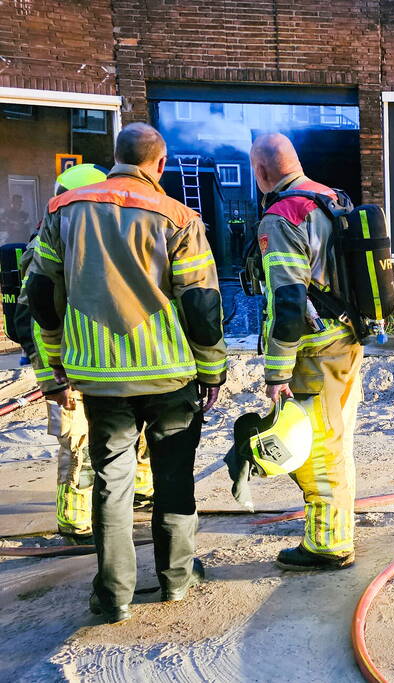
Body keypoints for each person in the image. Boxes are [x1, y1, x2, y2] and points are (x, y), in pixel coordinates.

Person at [26, 123, 227, 624]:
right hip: (170, 377)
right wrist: (213, 371)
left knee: (111, 484)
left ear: (115, 157)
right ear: (158, 165)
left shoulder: (63, 212)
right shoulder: (178, 217)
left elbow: (41, 297)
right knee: (174, 478)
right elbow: (201, 305)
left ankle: (113, 595)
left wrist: (53, 367)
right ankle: (176, 579)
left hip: (98, 377)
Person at [11, 164, 154, 544]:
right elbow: (33, 319)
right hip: (70, 371)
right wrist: (52, 377)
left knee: (131, 435)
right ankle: (76, 522)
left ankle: (140, 493)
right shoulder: (45, 249)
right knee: (78, 445)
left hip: (108, 367)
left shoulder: (95, 245)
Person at [250, 133, 363, 571]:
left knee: (318, 446)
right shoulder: (333, 200)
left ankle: (328, 543)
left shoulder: (282, 217)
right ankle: (339, 524)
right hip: (345, 341)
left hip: (312, 353)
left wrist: (276, 372)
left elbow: (289, 302)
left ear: (261, 172)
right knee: (336, 439)